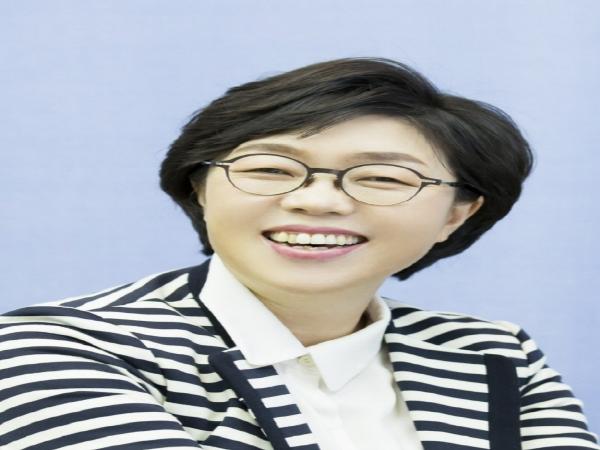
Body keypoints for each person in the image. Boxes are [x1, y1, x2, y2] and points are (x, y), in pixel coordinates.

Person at [0, 58, 596, 450]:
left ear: (456, 215)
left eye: (382, 178)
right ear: (200, 188)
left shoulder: (492, 353)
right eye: (270, 169)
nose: (317, 201)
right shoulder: (53, 347)